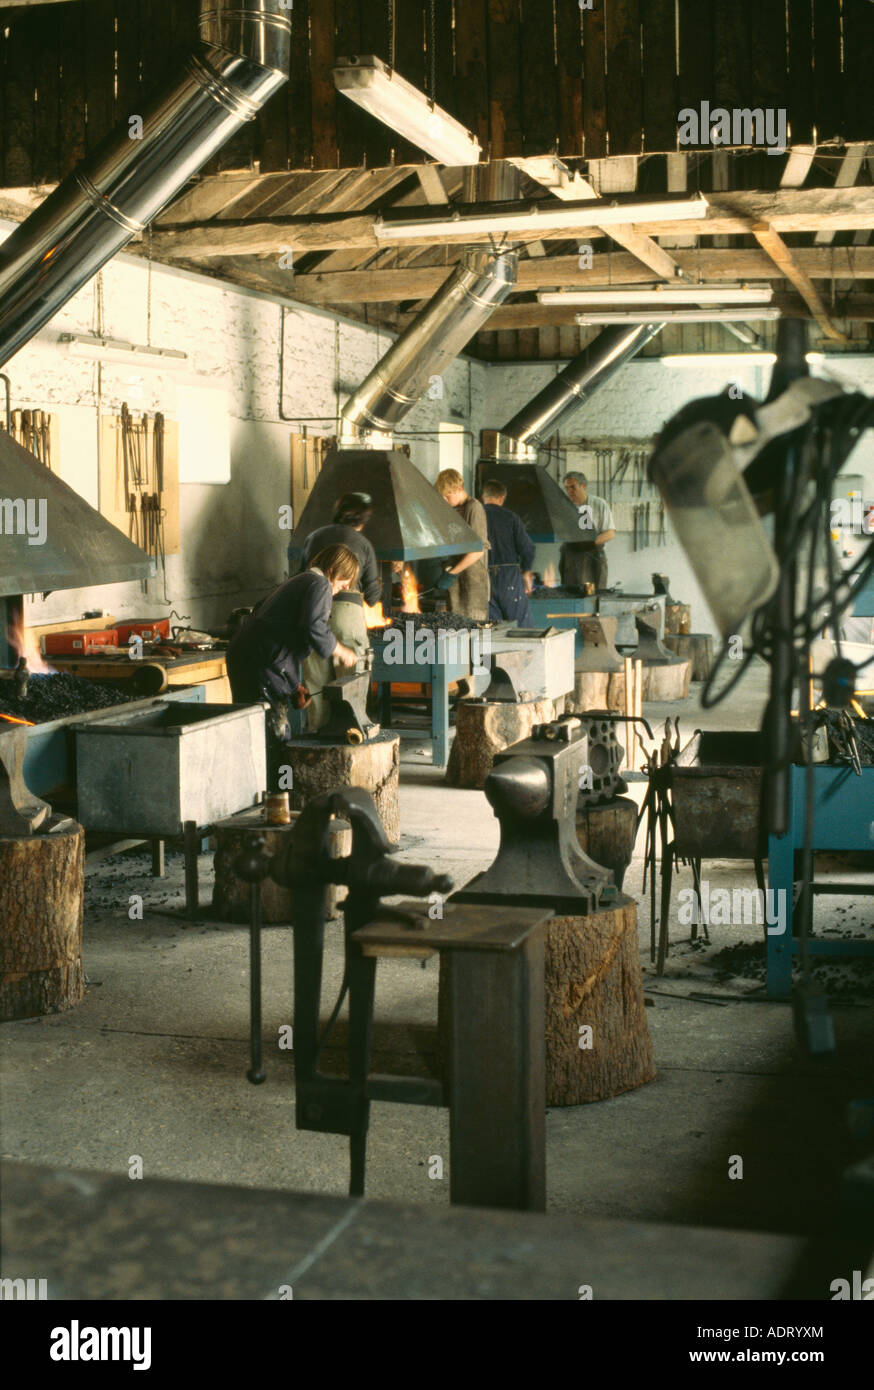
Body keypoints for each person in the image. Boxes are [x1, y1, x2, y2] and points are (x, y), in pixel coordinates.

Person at [227, 544, 360, 783]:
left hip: (247, 656)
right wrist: (341, 651)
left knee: (253, 729)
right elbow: (314, 626)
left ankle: (259, 796)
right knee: (273, 735)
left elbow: (283, 639)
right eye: (343, 582)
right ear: (332, 570)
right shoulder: (319, 584)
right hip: (258, 660)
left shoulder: (301, 581)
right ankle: (276, 800)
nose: (345, 588)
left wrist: (294, 685)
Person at [291, 492, 382, 607]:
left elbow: (303, 574)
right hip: (346, 609)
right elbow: (372, 595)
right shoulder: (364, 544)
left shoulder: (313, 537)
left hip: (310, 603)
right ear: (363, 520)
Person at [434, 469, 490, 621]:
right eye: (442, 497)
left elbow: (478, 551)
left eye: (447, 495)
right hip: (457, 579)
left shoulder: (474, 508)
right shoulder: (453, 510)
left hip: (473, 581)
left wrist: (452, 573)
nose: (445, 500)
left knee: (472, 627)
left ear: (459, 489)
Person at [480, 479, 535, 625]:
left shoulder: (475, 516)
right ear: (502, 498)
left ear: (483, 497)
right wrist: (526, 571)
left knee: (494, 629)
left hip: (483, 577)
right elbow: (528, 548)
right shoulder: (511, 517)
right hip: (509, 576)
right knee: (521, 627)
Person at [559, 471, 616, 590]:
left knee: (594, 594)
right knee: (570, 593)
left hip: (593, 556)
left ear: (583, 486)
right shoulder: (563, 507)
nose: (569, 491)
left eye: (573, 487)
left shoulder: (599, 504)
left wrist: (589, 543)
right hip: (571, 556)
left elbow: (610, 533)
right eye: (567, 488)